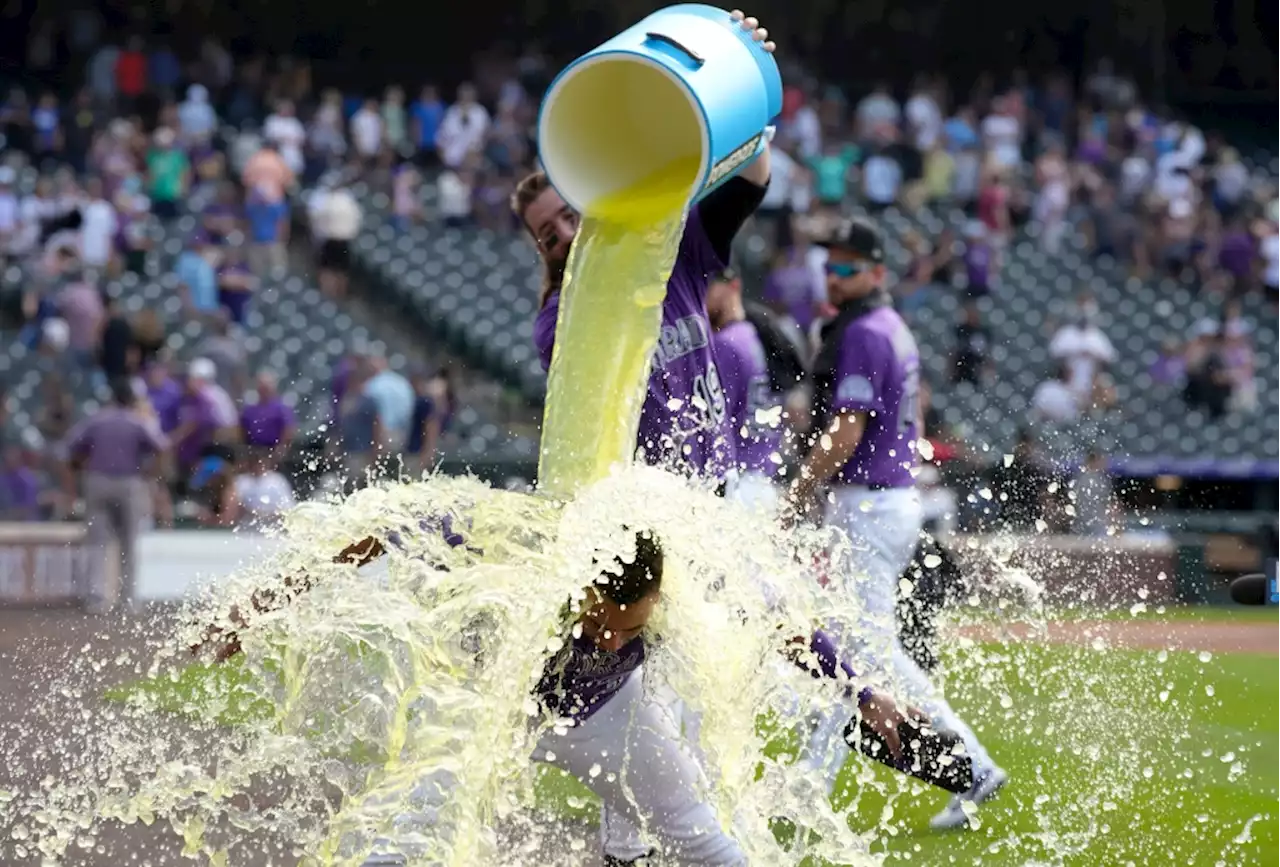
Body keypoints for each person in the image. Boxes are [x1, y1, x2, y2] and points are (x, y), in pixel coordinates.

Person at [196, 526, 931, 866]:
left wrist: (862, 690)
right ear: (581, 583)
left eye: (630, 629)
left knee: (704, 838)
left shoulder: (679, 574)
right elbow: (376, 532)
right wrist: (262, 607)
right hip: (496, 705)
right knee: (411, 831)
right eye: (602, 624)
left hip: (611, 713)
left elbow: (780, 620)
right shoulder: (516, 544)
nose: (611, 636)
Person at [783, 216, 1007, 830]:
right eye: (831, 262)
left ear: (878, 272)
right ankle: (809, 785)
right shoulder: (889, 326)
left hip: (870, 501)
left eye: (849, 265)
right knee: (845, 648)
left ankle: (975, 764)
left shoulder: (864, 332)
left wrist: (798, 494)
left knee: (868, 649)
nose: (835, 271)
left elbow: (846, 430)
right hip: (885, 498)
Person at [516, 12, 776, 490]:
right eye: (547, 235)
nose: (564, 235)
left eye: (568, 216)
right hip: (643, 508)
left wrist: (741, 74)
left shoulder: (672, 253)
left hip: (715, 486)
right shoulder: (557, 320)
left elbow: (748, 184)